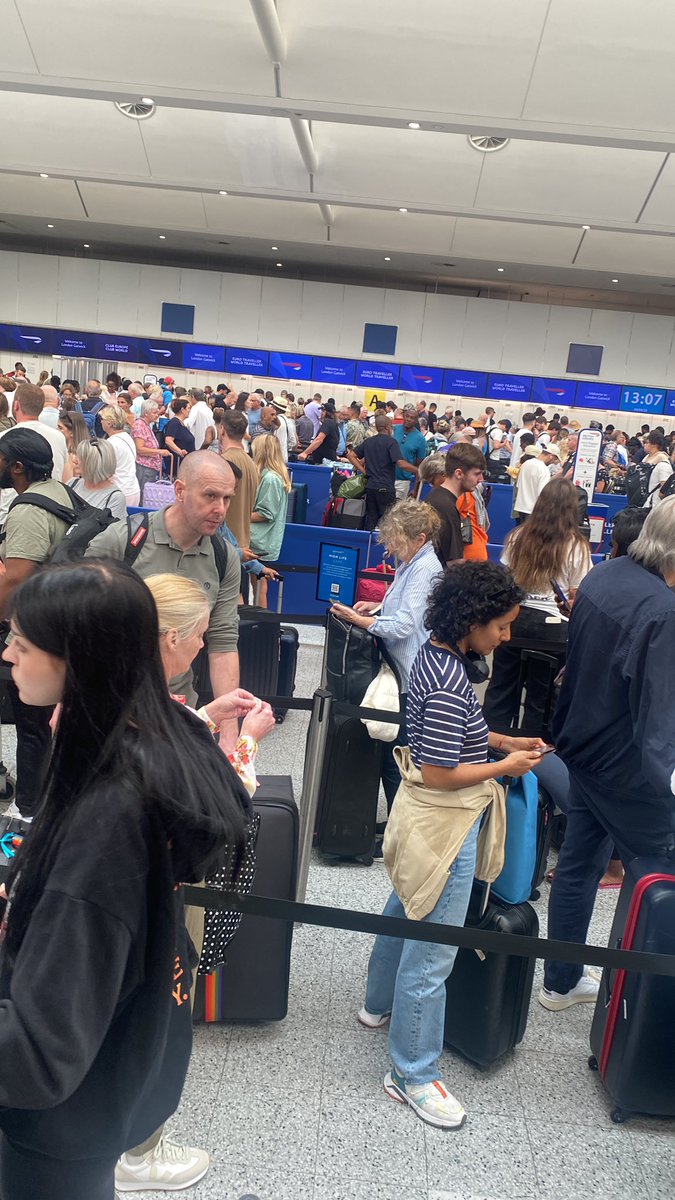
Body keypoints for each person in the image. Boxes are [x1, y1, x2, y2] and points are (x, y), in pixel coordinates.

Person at [0, 559, 250, 1200]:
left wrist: (51, 900)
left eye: (22, 644)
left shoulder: (108, 818)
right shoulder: (142, 744)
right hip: (107, 1083)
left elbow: (35, 1056)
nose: (7, 655)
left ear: (75, 662)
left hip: (51, 1128)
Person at [358, 561, 544, 1128]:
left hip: (424, 822)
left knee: (406, 903)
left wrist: (499, 740)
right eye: (501, 626)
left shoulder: (439, 660)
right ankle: (412, 1071)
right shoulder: (446, 678)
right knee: (433, 951)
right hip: (445, 823)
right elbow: (441, 772)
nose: (505, 636)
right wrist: (503, 765)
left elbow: (455, 732)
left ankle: (378, 1003)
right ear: (474, 619)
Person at [115, 572, 275, 1192]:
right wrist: (249, 747)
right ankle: (140, 1152)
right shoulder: (151, 710)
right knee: (158, 1015)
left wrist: (204, 717)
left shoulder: (118, 692)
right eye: (200, 638)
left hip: (123, 883)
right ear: (170, 637)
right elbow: (216, 810)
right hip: (155, 891)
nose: (204, 649)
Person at [539, 499, 675, 1012]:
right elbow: (659, 717)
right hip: (631, 769)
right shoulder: (663, 610)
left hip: (584, 746)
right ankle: (647, 1004)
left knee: (580, 864)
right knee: (660, 877)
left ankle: (561, 979)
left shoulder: (604, 575)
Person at [86, 453, 241, 748]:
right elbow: (78, 624)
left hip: (177, 711)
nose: (220, 509)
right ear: (180, 491)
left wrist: (229, 731)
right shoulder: (122, 542)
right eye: (210, 496)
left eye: (227, 498)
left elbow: (222, 641)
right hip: (110, 708)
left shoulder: (224, 558)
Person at [329, 500, 444, 819]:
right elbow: (409, 611)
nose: (391, 547)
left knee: (399, 758)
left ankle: (399, 827)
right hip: (403, 670)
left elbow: (407, 624)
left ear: (419, 538)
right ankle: (396, 822)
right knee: (393, 755)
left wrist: (362, 621)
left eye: (397, 540)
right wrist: (377, 607)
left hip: (410, 677)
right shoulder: (414, 561)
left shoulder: (424, 569)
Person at [0, 429, 78, 822]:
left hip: (33, 630)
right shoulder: (58, 491)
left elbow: (17, 578)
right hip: (55, 624)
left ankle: (27, 809)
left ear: (17, 466)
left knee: (31, 725)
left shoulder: (28, 510)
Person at [482, 476, 592, 738]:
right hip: (554, 632)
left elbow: (506, 578)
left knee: (501, 688)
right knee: (542, 701)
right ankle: (535, 764)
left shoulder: (517, 537)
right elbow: (577, 592)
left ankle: (489, 750)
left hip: (513, 623)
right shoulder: (577, 546)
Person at [345, 412, 413, 531]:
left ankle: (368, 546)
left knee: (371, 520)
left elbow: (351, 456)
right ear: (388, 426)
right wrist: (417, 470)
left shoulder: (369, 442)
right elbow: (400, 463)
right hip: (386, 487)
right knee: (387, 522)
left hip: (370, 487)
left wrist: (364, 471)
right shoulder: (391, 442)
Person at [424, 443, 487, 566]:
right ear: (459, 474)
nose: (481, 479)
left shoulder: (438, 497)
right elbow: (454, 563)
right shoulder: (446, 507)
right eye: (476, 474)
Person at [249, 435, 291, 602]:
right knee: (257, 583)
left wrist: (240, 516)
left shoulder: (270, 479)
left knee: (259, 585)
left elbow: (266, 514)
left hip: (259, 540)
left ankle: (260, 623)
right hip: (261, 540)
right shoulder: (271, 476)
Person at [217, 409, 259, 551]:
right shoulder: (251, 463)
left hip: (224, 545)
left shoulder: (223, 462)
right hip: (243, 542)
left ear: (222, 429)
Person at [10, 383, 67, 481]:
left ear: (16, 405)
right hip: (51, 493)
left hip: (15, 496)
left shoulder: (4, 437)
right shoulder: (59, 437)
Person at [68, 438, 127, 521]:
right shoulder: (72, 483)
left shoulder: (114, 498)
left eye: (80, 458)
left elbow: (113, 531)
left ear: (93, 464)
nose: (74, 460)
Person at [100, 404, 141, 507]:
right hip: (132, 488)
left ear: (109, 422)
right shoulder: (127, 436)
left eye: (102, 419)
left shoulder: (111, 443)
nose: (101, 421)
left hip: (120, 491)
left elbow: (106, 471)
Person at [132, 397, 171, 502]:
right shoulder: (140, 426)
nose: (157, 415)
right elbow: (140, 449)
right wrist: (159, 452)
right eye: (154, 412)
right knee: (144, 496)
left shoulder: (145, 425)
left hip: (149, 467)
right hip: (144, 467)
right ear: (146, 413)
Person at [513, 444, 562, 521]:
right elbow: (543, 493)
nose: (553, 463)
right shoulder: (544, 469)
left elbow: (518, 484)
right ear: (551, 456)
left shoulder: (526, 464)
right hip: (533, 510)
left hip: (520, 507)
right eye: (554, 460)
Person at [393, 406, 428, 499]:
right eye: (407, 416)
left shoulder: (420, 439)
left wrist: (416, 489)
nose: (408, 419)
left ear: (416, 420)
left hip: (403, 481)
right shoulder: (394, 429)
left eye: (412, 418)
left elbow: (419, 467)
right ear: (403, 416)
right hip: (386, 477)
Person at [163, 397, 196, 472]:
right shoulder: (174, 423)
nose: (190, 411)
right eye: (188, 408)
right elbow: (168, 440)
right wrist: (180, 451)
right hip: (178, 463)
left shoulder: (181, 423)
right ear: (182, 410)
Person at [641, 430, 672, 506]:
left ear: (654, 445)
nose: (644, 445)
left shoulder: (662, 459)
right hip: (645, 499)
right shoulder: (647, 457)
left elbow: (665, 487)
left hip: (655, 503)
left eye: (647, 442)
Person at [57, 410, 90, 482]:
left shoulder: (71, 457)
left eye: (60, 428)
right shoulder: (87, 453)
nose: (56, 430)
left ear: (72, 432)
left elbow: (66, 484)